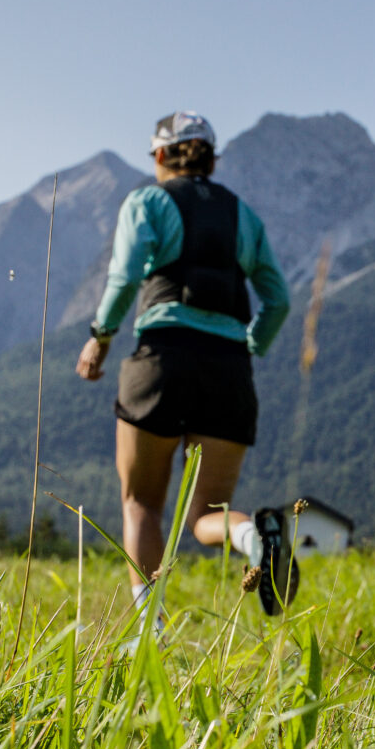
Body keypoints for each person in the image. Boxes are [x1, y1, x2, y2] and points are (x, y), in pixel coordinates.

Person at [75, 111, 300, 621]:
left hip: (162, 361)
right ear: (211, 158)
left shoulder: (148, 202)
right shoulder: (243, 215)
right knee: (206, 516)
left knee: (141, 505)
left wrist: (99, 339)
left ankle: (148, 630)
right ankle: (251, 538)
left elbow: (126, 276)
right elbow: (279, 300)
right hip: (229, 372)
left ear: (159, 155)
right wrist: (250, 347)